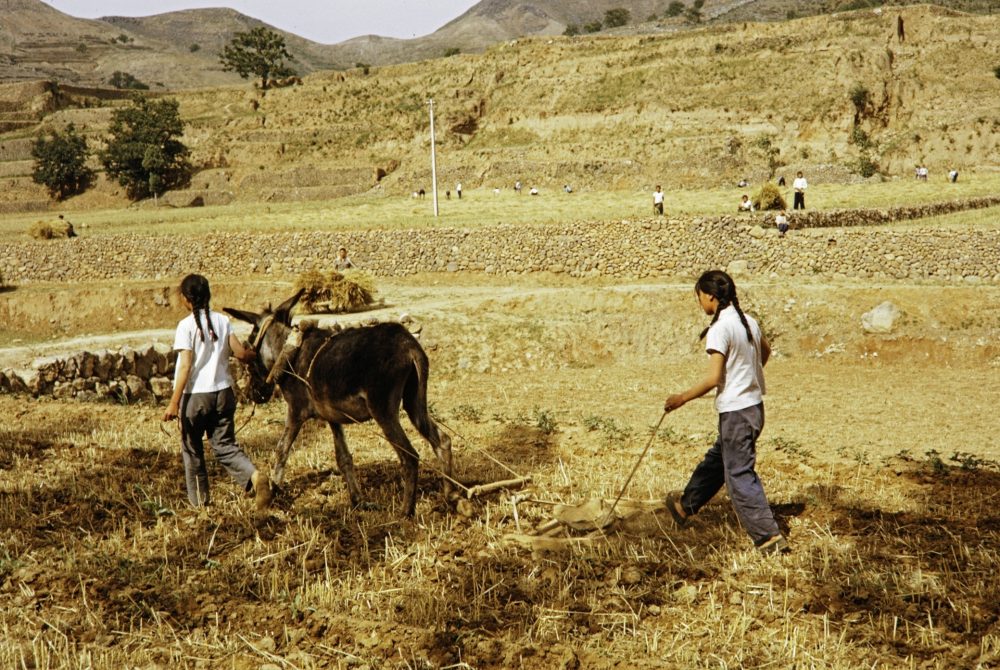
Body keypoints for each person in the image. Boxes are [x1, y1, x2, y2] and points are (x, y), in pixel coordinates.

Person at [663, 270, 788, 555]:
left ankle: (768, 537)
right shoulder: (749, 322)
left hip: (736, 413)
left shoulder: (720, 328)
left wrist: (680, 399)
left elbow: (712, 379)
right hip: (754, 408)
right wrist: (747, 378)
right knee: (720, 459)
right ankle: (685, 507)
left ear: (710, 296)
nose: (700, 304)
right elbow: (765, 353)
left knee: (739, 475)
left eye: (699, 298)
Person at [162, 274, 271, 510]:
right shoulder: (222, 321)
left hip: (196, 398)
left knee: (192, 450)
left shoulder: (185, 326)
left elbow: (185, 366)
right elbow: (241, 354)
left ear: (186, 299)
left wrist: (173, 402)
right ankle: (254, 476)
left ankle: (201, 505)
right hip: (223, 393)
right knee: (224, 445)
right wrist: (253, 356)